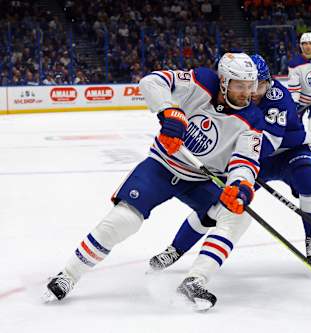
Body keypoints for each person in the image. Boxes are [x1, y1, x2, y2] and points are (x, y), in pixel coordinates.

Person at [43, 52, 263, 303]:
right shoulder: (201, 81)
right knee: (124, 219)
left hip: (200, 180)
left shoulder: (253, 118)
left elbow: (246, 161)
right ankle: (68, 275)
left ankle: (195, 280)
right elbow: (152, 82)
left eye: (250, 86)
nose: (247, 93)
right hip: (161, 166)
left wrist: (241, 185)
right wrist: (170, 112)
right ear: (223, 81)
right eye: (240, 86)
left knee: (238, 217)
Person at [149, 55, 311, 310]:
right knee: (219, 205)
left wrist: (231, 156)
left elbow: (269, 143)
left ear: (268, 82)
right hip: (252, 161)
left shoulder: (277, 97)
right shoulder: (235, 96)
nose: (252, 92)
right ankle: (175, 249)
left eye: (258, 85)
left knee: (309, 176)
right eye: (247, 84)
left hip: (286, 154)